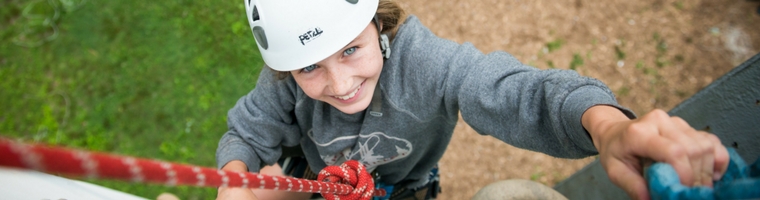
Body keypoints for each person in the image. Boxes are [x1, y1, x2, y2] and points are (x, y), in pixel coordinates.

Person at [216, 0, 730, 199]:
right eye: (310, 67)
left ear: (376, 25)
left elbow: (514, 91)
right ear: (286, 68)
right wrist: (236, 181)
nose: (338, 83)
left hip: (406, 192)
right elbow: (247, 132)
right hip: (315, 189)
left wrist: (607, 126)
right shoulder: (282, 85)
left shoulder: (429, 64)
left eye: (351, 51)